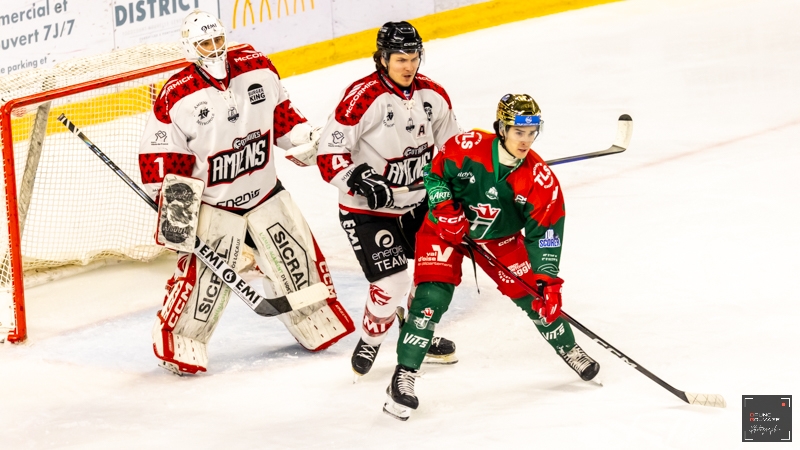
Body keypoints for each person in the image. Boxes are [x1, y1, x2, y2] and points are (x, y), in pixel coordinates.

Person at [138, 10, 354, 375]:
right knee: (202, 284)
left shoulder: (257, 68)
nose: (215, 49)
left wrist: (304, 139)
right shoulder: (177, 96)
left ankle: (312, 320)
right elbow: (161, 158)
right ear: (191, 49)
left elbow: (283, 116)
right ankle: (181, 341)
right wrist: (176, 213)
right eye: (205, 44)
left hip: (264, 190)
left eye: (218, 40)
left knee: (297, 260)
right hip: (214, 204)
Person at [382, 93, 601, 420]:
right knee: (431, 297)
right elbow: (435, 173)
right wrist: (444, 208)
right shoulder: (468, 146)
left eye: (532, 133)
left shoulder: (539, 179)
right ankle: (404, 375)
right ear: (501, 128)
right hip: (446, 231)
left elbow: (546, 233)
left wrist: (547, 278)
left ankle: (570, 349)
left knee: (536, 296)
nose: (525, 141)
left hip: (500, 238)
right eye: (518, 132)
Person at [316, 21, 462, 378]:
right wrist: (357, 176)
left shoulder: (433, 96)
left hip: (418, 203)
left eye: (414, 57)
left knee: (433, 275)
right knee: (392, 283)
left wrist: (466, 176)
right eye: (400, 58)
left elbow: (453, 151)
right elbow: (329, 152)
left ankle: (416, 333)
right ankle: (370, 338)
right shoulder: (362, 97)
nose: (409, 66)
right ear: (382, 59)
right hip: (368, 210)